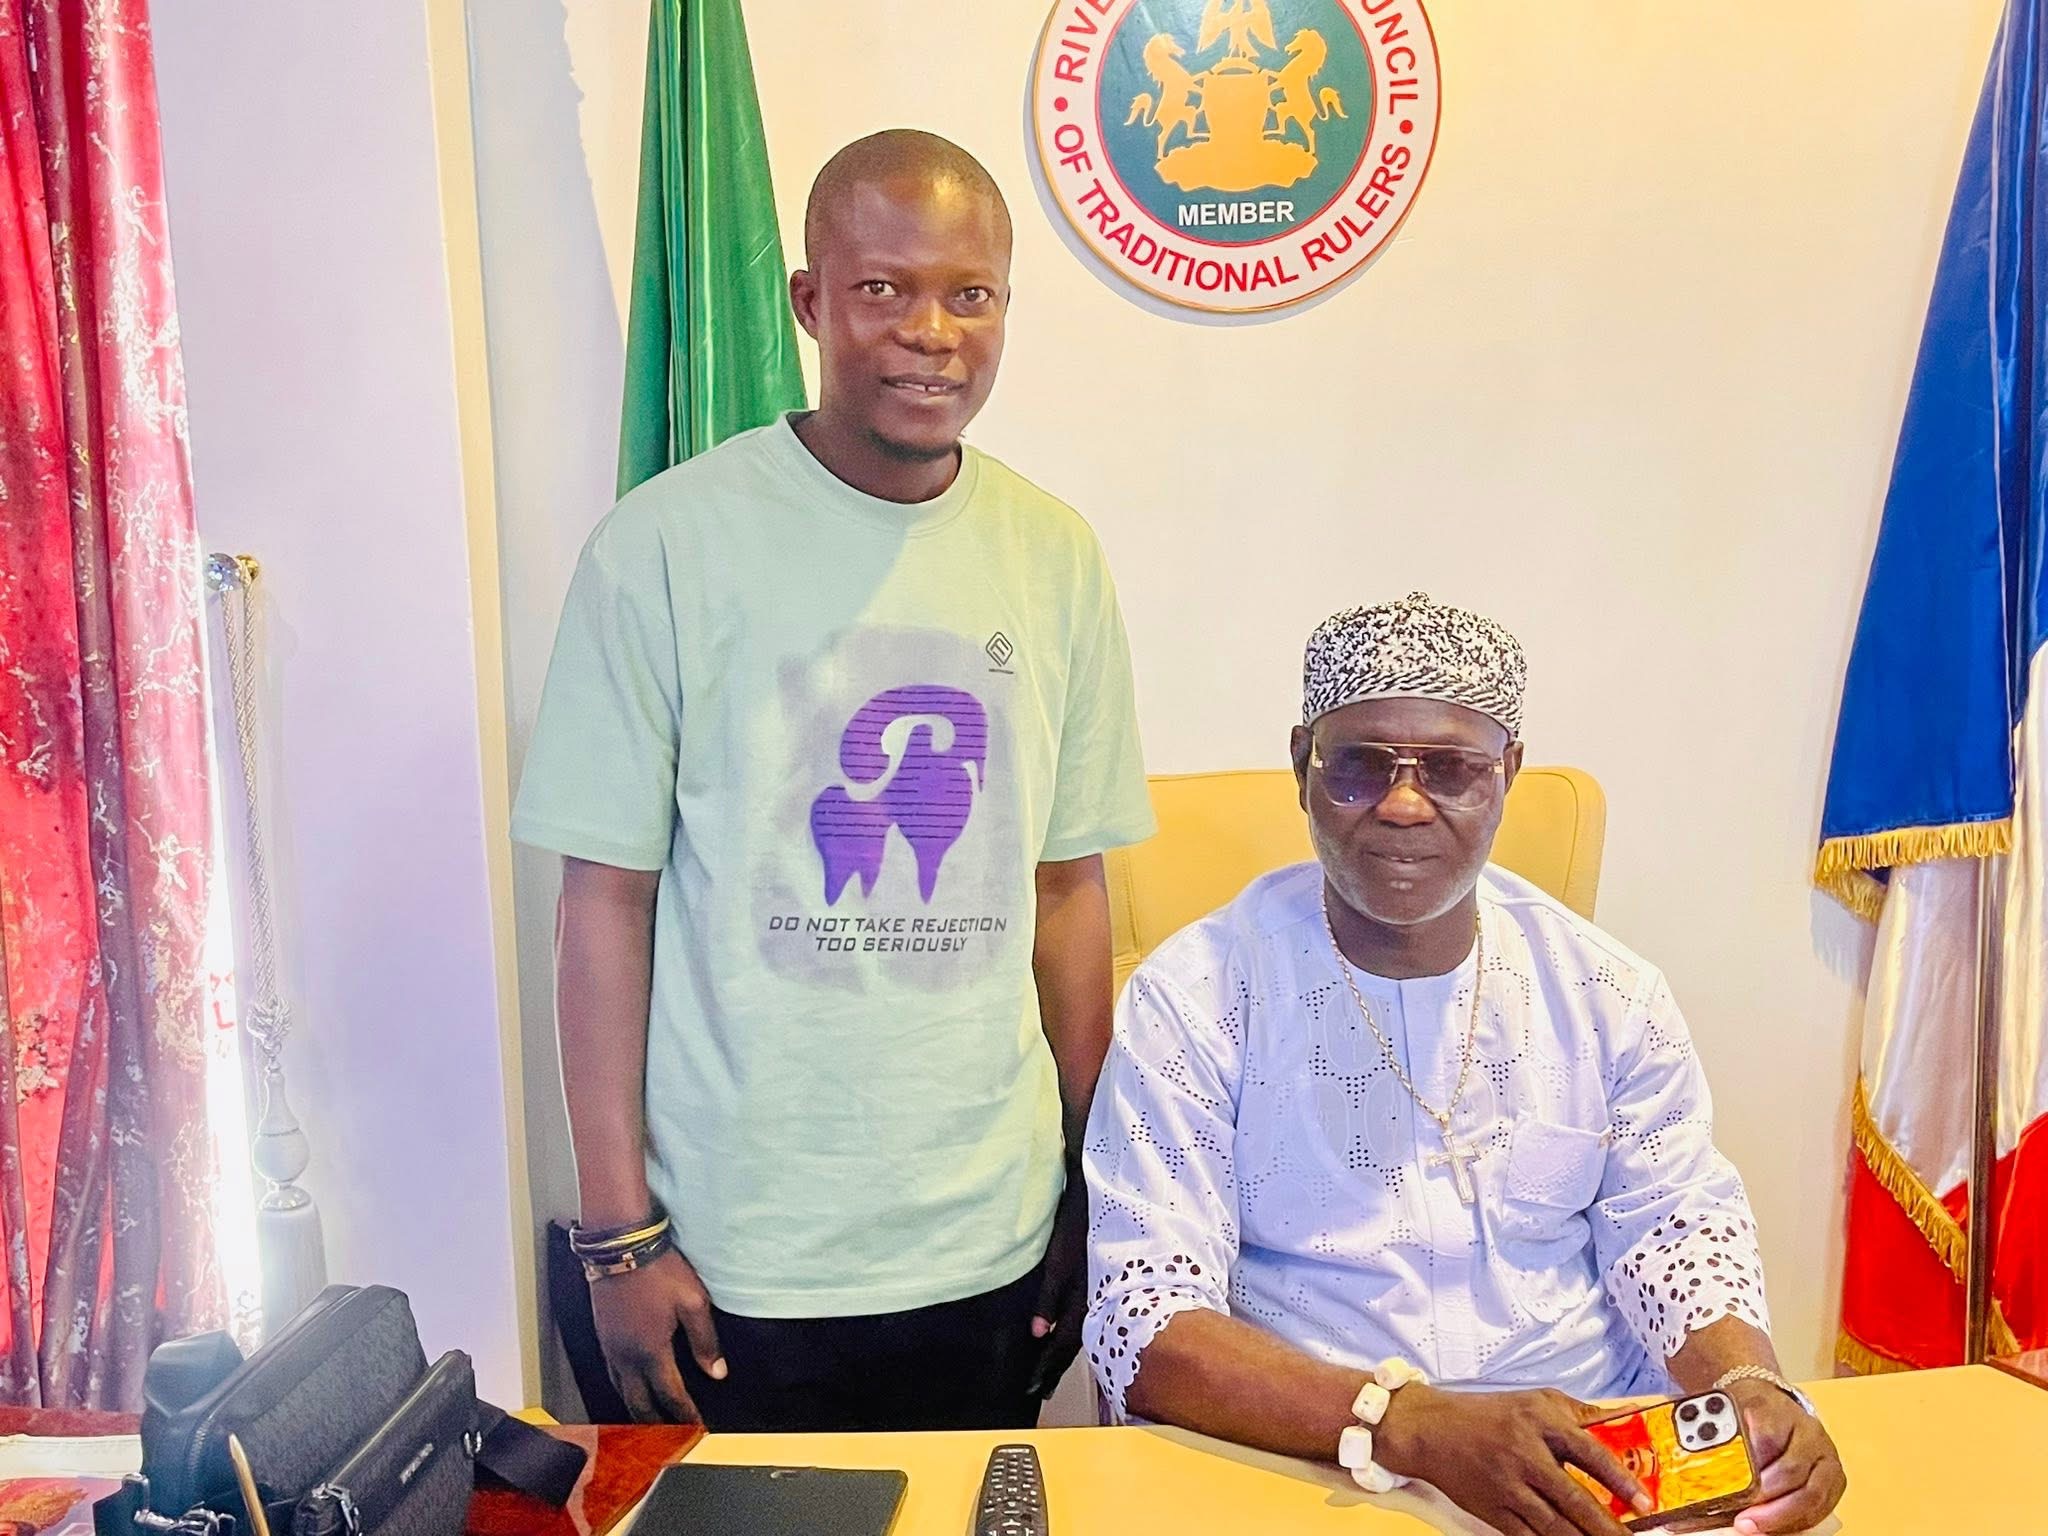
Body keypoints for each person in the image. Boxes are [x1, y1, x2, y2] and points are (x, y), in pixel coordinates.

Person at [514, 129, 1153, 1432]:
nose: (931, 332)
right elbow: (603, 904)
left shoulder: (1054, 555)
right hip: (736, 1257)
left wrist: (1097, 1187)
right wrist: (615, 1235)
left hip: (990, 1246)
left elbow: (1067, 890)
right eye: (882, 289)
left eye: (969, 294)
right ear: (809, 302)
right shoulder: (664, 548)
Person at [1081, 593, 1846, 1536]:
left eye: (1450, 770)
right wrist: (1408, 1424)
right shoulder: (1194, 998)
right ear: (1303, 765)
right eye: (1360, 766)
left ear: (1506, 774)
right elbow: (1146, 1317)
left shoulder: (1606, 989)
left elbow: (1672, 1228)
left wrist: (1750, 1385)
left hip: (1595, 1459)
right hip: (1322, 1463)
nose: (1405, 805)